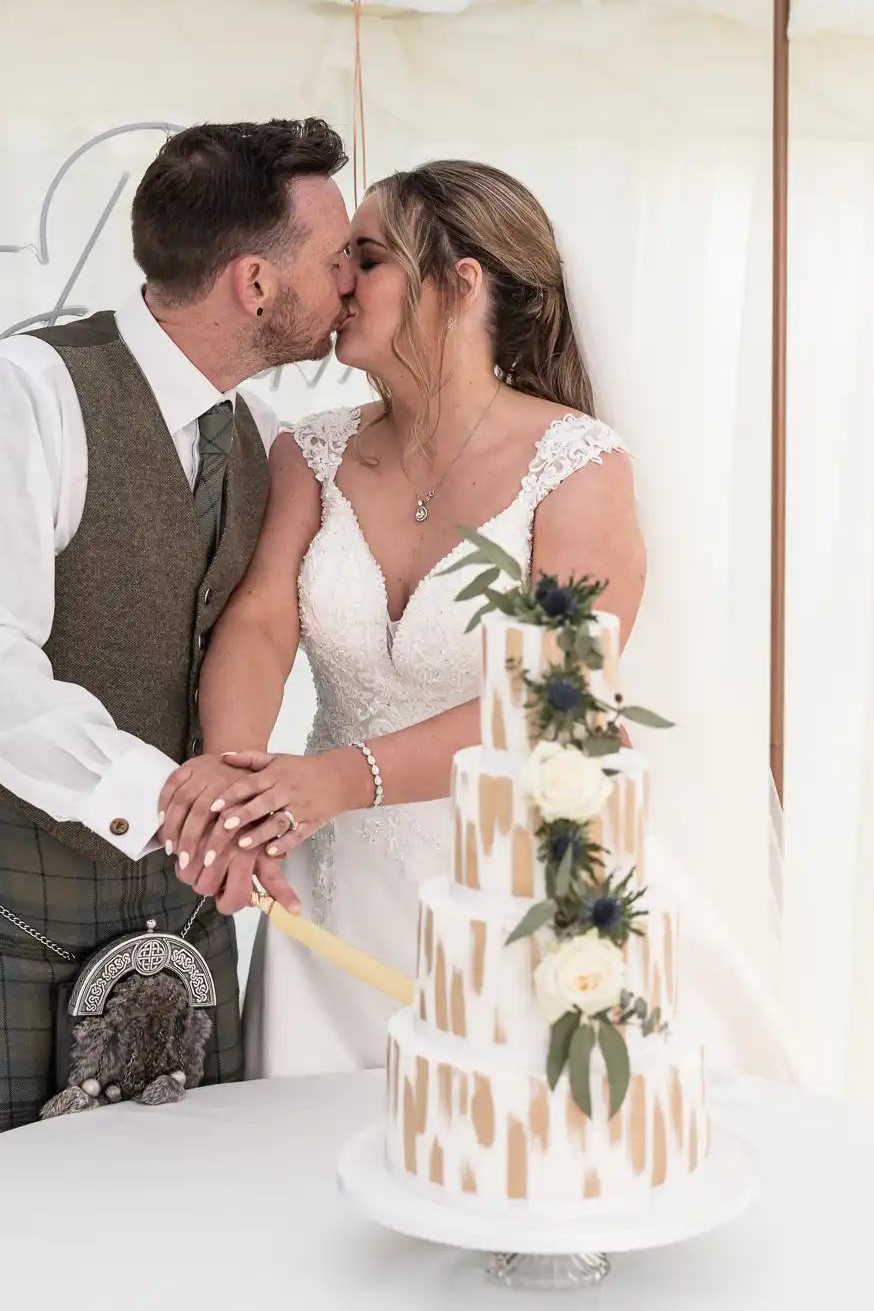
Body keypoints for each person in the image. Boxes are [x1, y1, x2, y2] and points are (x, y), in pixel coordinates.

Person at [0, 119, 353, 1220]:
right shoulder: (25, 392)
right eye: (335, 255)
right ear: (256, 280)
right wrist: (167, 801)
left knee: (159, 1231)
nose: (349, 278)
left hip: (177, 908)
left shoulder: (257, 437)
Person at [155, 160, 647, 1074]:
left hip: (503, 900)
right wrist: (234, 785)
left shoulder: (576, 467)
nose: (338, 283)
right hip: (326, 894)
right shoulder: (313, 452)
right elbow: (262, 620)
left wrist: (345, 776)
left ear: (462, 286)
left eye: (367, 260)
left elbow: (559, 700)